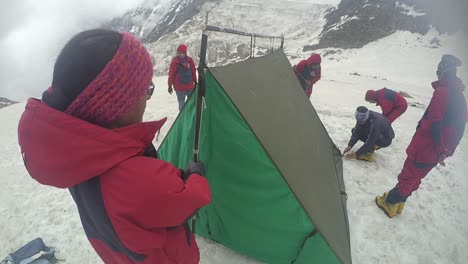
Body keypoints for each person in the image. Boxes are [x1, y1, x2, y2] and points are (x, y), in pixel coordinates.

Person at [18, 29, 211, 263]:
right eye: (145, 89)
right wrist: (196, 176)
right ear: (117, 107)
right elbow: (188, 200)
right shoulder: (139, 179)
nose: (148, 98)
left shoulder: (77, 160)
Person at [375, 55, 467, 218]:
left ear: (443, 72)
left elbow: (435, 122)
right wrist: (445, 151)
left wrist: (438, 148)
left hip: (426, 146)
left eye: (438, 71)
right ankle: (400, 203)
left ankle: (390, 202)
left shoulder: (442, 92)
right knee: (417, 177)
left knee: (408, 175)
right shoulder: (460, 97)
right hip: (438, 151)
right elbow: (459, 129)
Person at [168, 44, 197, 111]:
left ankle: (183, 116)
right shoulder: (189, 60)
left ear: (185, 53)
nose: (180, 54)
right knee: (190, 102)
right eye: (179, 53)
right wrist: (170, 85)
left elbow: (171, 73)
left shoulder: (175, 61)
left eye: (181, 53)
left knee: (182, 102)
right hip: (187, 86)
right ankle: (191, 115)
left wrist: (170, 85)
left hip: (181, 87)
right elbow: (193, 71)